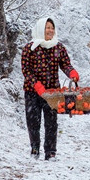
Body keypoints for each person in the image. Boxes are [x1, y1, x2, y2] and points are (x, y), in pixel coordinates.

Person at [20, 16, 79, 160]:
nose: (50, 30)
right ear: (41, 29)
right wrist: (37, 85)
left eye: (52, 28)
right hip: (33, 91)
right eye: (47, 27)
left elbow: (65, 64)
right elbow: (26, 70)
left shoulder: (58, 47)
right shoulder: (30, 48)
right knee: (33, 122)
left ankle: (50, 152)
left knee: (51, 122)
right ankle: (34, 149)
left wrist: (72, 72)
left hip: (53, 92)